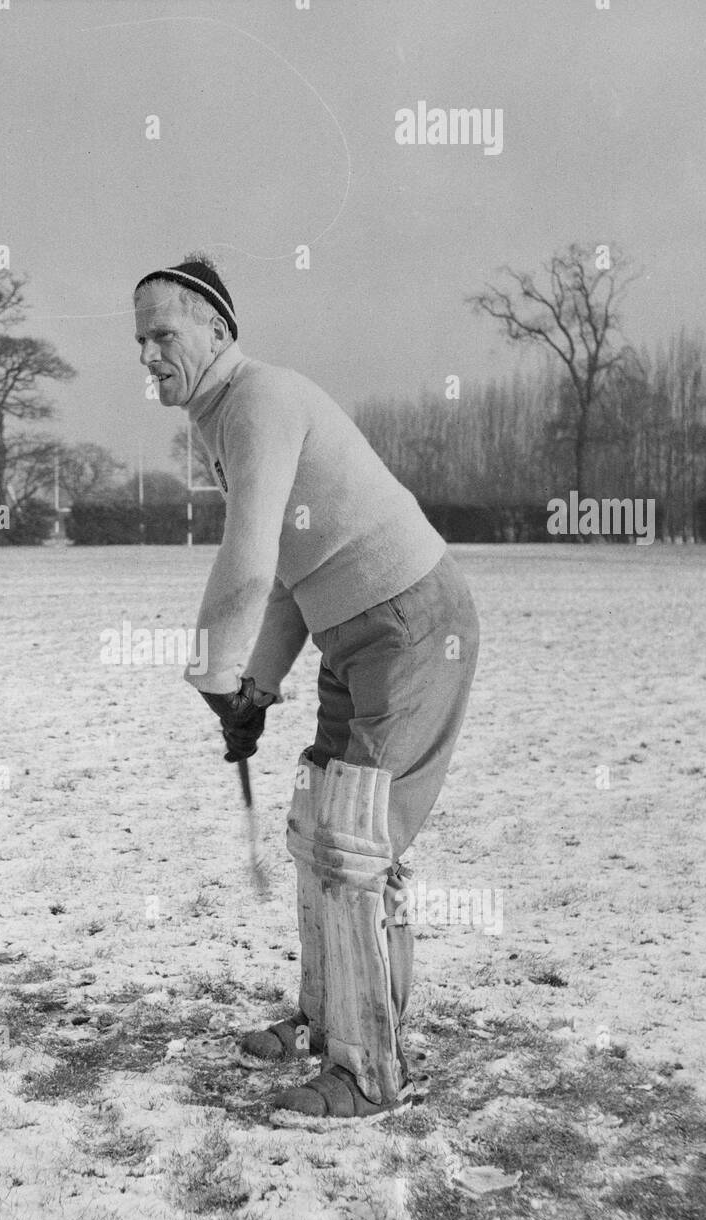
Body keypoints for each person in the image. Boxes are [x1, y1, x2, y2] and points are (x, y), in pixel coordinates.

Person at [133, 254, 480, 1118]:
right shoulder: (221, 421)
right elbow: (289, 573)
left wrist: (214, 677)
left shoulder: (257, 401)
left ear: (217, 329)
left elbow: (247, 558)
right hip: (352, 632)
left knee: (356, 842)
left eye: (163, 334)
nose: (146, 355)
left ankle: (368, 1073)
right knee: (313, 819)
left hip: (411, 625)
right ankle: (327, 1022)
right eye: (139, 340)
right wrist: (255, 686)